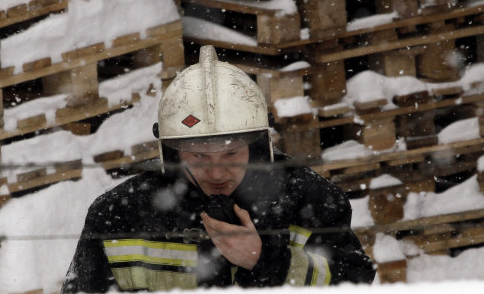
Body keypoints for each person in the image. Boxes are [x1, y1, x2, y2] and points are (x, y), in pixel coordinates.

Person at [61, 46, 376, 293]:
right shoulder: (118, 214)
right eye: (198, 156)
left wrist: (265, 261)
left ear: (256, 147)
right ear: (172, 152)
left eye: (231, 153)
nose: (216, 173)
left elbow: (354, 284)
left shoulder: (308, 199)